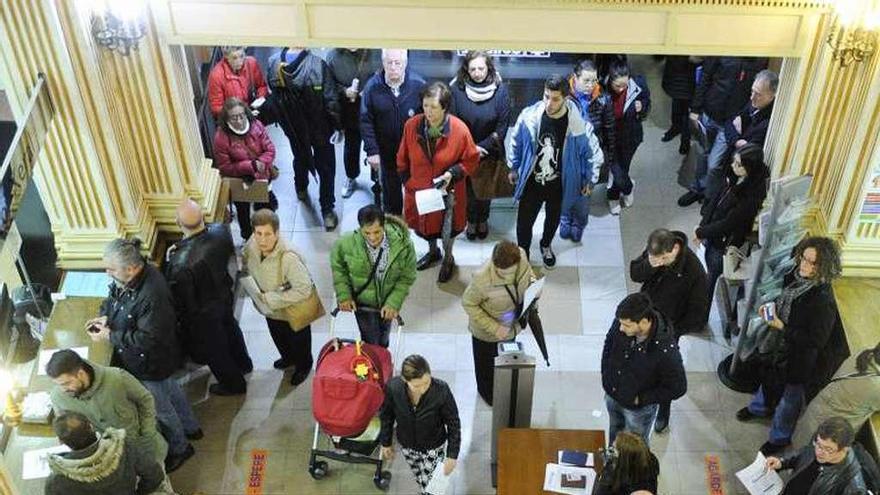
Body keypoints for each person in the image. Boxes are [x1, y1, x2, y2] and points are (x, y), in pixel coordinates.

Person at [84, 239, 201, 472]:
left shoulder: (153, 294)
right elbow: (114, 298)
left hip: (151, 362)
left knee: (161, 409)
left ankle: (181, 447)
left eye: (111, 269)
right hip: (156, 361)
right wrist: (105, 315)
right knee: (172, 390)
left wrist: (110, 335)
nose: (107, 273)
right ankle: (191, 427)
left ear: (132, 268)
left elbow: (148, 340)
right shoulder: (127, 278)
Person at [738, 236, 848, 455]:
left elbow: (816, 341)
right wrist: (772, 310)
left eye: (812, 263)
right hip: (780, 346)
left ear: (823, 266)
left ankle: (779, 438)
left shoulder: (823, 299)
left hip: (800, 359)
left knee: (790, 400)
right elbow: (786, 302)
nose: (804, 265)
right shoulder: (794, 276)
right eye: (803, 258)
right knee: (769, 379)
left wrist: (782, 326)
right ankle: (759, 408)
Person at [508, 74, 603, 268]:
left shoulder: (579, 127)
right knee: (524, 222)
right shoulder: (529, 117)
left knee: (552, 221)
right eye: (546, 96)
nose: (549, 103)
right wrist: (514, 166)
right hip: (532, 182)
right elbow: (516, 141)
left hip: (560, 185)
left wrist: (589, 180)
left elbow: (592, 155)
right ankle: (523, 252)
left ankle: (545, 245)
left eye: (555, 98)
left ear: (566, 99)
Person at [165, 199, 253, 396]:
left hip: (203, 313)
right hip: (223, 295)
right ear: (203, 217)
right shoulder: (220, 231)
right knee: (231, 330)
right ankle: (244, 363)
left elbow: (182, 298)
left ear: (178, 223)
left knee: (215, 350)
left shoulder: (180, 264)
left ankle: (233, 385)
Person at [397, 81, 480, 283]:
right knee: (425, 228)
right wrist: (407, 180)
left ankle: (448, 258)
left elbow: (471, 159)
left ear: (444, 107)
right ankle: (433, 252)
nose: (428, 112)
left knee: (447, 231)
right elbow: (402, 157)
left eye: (433, 107)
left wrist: (453, 173)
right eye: (425, 106)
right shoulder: (412, 126)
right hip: (420, 191)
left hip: (448, 194)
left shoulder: (459, 130)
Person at [629, 228, 709, 433]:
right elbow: (635, 273)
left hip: (668, 329)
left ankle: (663, 410)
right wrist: (649, 264)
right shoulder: (656, 251)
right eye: (657, 259)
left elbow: (697, 316)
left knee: (663, 372)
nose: (661, 262)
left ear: (675, 248)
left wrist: (671, 331)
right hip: (644, 317)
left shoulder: (695, 273)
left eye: (664, 259)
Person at [47, 351, 168, 468]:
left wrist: (147, 431)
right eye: (59, 384)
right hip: (110, 457)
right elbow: (66, 427)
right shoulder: (58, 397)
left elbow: (145, 400)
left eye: (66, 383)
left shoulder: (117, 378)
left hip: (142, 444)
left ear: (80, 374)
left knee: (158, 478)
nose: (63, 389)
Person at [265, 47, 341, 230]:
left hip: (293, 126)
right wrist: (338, 125)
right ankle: (327, 210)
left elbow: (274, 94)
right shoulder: (318, 65)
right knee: (326, 167)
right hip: (319, 126)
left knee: (299, 155)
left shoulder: (273, 62)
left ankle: (300, 187)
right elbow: (330, 99)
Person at [678, 56, 768, 206]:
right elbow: (705, 78)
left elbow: (751, 96)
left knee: (714, 163)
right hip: (708, 113)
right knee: (702, 155)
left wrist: (741, 117)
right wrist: (696, 108)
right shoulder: (725, 53)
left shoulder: (758, 63)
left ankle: (708, 196)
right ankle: (697, 188)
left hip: (728, 123)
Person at [242, 209, 316, 386]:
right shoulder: (251, 246)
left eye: (268, 234)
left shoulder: (289, 257)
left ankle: (303, 366)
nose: (262, 239)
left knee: (299, 342)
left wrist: (271, 298)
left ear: (277, 232)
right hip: (270, 310)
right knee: (279, 337)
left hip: (293, 310)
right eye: (258, 233)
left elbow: (303, 289)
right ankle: (288, 358)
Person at [601, 293, 686, 446]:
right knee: (614, 431)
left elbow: (678, 388)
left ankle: (631, 469)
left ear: (644, 322)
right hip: (613, 394)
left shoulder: (665, 351)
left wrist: (642, 399)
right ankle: (613, 461)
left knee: (635, 446)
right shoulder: (623, 320)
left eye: (627, 325)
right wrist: (606, 375)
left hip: (637, 410)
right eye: (620, 323)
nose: (621, 328)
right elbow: (608, 344)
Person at [331, 204, 417, 347]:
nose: (372, 238)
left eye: (377, 232)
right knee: (370, 339)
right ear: (360, 229)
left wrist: (393, 303)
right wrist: (344, 295)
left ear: (384, 226)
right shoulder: (345, 244)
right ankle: (374, 357)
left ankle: (380, 353)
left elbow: (407, 277)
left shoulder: (403, 246)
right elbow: (339, 268)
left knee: (383, 336)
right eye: (367, 233)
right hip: (363, 304)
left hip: (387, 301)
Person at [461, 240, 536, 405]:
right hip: (486, 333)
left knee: (505, 361)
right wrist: (494, 328)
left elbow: (529, 276)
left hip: (510, 326)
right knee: (485, 369)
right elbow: (468, 303)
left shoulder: (522, 257)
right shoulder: (481, 279)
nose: (502, 275)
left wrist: (534, 289)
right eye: (499, 271)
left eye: (507, 272)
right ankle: (488, 396)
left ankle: (504, 389)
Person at [693, 143, 769, 304]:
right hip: (712, 231)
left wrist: (701, 232)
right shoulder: (734, 177)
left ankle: (700, 316)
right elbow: (715, 201)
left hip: (724, 241)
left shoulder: (752, 194)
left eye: (739, 164)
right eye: (734, 161)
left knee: (709, 279)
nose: (734, 166)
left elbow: (730, 223)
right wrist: (703, 227)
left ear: (750, 167)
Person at [449, 50, 511, 240]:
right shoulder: (456, 89)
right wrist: (469, 149)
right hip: (464, 151)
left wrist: (481, 148)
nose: (477, 73)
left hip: (490, 150)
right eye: (473, 68)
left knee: (485, 190)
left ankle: (482, 219)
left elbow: (502, 126)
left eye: (481, 68)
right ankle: (470, 221)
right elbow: (453, 122)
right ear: (466, 69)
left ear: (488, 68)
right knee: (467, 192)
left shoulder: (500, 90)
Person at [379, 355, 461, 495]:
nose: (423, 389)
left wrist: (452, 455)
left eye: (426, 382)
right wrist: (386, 442)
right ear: (405, 380)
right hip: (407, 445)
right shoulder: (393, 388)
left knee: (435, 486)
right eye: (417, 385)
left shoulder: (441, 390)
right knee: (421, 477)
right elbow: (387, 416)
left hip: (434, 446)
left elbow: (453, 423)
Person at [360, 49, 427, 215]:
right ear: (383, 64)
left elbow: (428, 118)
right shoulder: (372, 87)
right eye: (389, 63)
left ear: (405, 63)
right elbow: (365, 120)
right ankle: (394, 218)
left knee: (414, 184)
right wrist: (372, 151)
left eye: (398, 63)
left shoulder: (418, 85)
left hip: (412, 150)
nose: (393, 67)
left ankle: (415, 215)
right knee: (390, 188)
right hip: (386, 150)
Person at [46, 412, 165, 495]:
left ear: (61, 441)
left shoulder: (58, 479)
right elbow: (155, 475)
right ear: (91, 426)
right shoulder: (124, 447)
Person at [563, 59, 615, 242]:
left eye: (594, 81)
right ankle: (565, 219)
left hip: (590, 155)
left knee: (584, 195)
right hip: (567, 155)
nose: (591, 85)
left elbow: (609, 130)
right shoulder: (563, 95)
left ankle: (578, 223)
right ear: (574, 78)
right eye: (586, 80)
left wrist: (608, 158)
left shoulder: (603, 99)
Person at [792, 342, 880, 448]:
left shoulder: (862, 353)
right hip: (829, 435)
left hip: (814, 415)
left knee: (799, 448)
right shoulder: (876, 386)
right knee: (809, 458)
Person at [213, 97, 278, 241]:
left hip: (261, 178)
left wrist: (261, 161)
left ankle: (266, 236)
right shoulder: (221, 138)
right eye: (234, 117)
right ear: (226, 118)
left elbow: (270, 149)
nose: (239, 120)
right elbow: (225, 167)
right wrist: (250, 166)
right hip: (241, 182)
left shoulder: (256, 126)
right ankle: (247, 238)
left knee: (265, 212)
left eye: (241, 116)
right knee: (243, 212)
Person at [327, 48, 380, 199]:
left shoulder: (375, 51)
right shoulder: (333, 57)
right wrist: (345, 91)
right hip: (350, 109)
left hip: (373, 106)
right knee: (351, 145)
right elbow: (329, 84)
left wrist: (370, 88)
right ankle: (351, 176)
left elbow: (383, 74)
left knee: (375, 145)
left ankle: (377, 181)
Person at [764, 417, 868, 495]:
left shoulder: (853, 486)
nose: (819, 451)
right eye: (818, 444)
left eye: (828, 449)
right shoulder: (820, 442)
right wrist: (781, 462)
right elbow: (802, 454)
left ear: (845, 449)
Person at [606, 62, 651, 215]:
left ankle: (615, 194)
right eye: (617, 86)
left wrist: (642, 107)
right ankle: (626, 189)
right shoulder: (602, 91)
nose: (621, 89)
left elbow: (647, 102)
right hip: (609, 139)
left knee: (622, 169)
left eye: (624, 85)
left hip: (630, 138)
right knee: (618, 173)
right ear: (610, 81)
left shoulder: (638, 85)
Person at [206, 46, 268, 118]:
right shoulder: (216, 75)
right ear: (226, 57)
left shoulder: (251, 63)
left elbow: (261, 86)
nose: (239, 61)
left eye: (242, 56)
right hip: (233, 118)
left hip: (253, 110)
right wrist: (239, 113)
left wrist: (260, 98)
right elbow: (216, 107)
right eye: (234, 58)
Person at [593, 431, 660, 495]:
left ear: (623, 459)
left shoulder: (612, 475)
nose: (610, 450)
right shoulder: (651, 459)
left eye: (614, 449)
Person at [660, 55, 698, 155]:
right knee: (677, 108)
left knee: (686, 115)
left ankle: (684, 141)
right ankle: (676, 129)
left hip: (690, 83)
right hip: (675, 79)